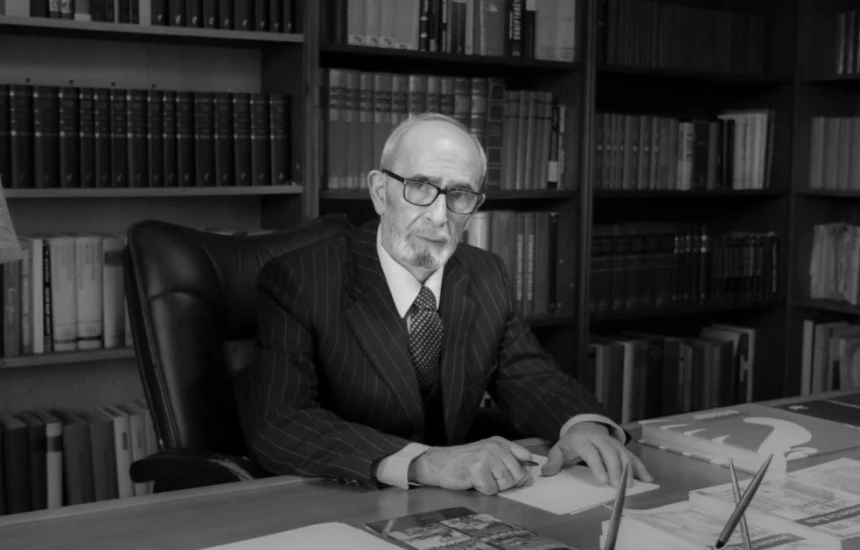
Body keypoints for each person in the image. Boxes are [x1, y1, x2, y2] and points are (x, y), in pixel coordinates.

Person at [249, 113, 653, 495]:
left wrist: (582, 424)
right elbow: (281, 421)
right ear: (380, 192)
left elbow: (529, 374)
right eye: (420, 186)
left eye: (459, 194)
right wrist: (424, 463)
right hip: (341, 496)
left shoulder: (486, 273)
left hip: (456, 505)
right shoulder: (301, 280)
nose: (439, 216)